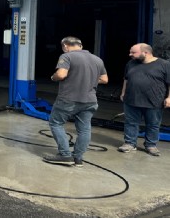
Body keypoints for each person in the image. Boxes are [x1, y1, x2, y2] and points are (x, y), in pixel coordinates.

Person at [43, 36, 108, 167]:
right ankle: (78, 158)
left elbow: (61, 74)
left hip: (69, 99)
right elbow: (105, 79)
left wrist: (53, 77)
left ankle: (65, 155)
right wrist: (88, 81)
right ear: (80, 45)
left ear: (65, 46)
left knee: (56, 123)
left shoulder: (67, 56)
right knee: (84, 130)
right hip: (90, 100)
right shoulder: (97, 59)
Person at [118, 43, 170, 157]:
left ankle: (151, 145)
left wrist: (169, 98)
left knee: (153, 124)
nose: (130, 54)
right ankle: (129, 143)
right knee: (131, 122)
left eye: (133, 52)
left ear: (145, 53)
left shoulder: (164, 65)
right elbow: (126, 79)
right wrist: (123, 93)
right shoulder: (131, 63)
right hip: (132, 99)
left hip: (154, 101)